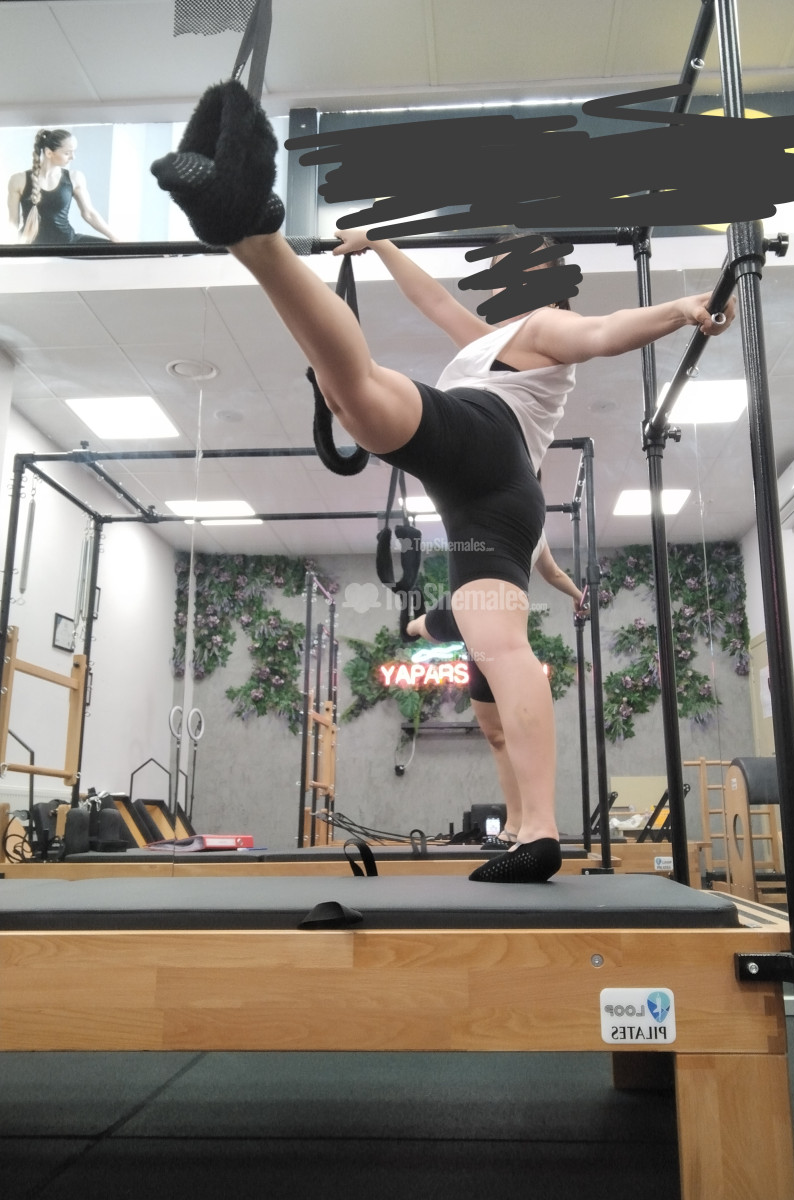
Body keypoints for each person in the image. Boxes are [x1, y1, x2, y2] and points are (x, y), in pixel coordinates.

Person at [151, 80, 736, 882]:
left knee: (361, 398)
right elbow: (431, 300)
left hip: (486, 451)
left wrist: (679, 307)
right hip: (489, 502)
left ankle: (256, 238)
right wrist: (378, 245)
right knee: (359, 409)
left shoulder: (547, 324)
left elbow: (604, 331)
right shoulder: (491, 340)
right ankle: (528, 828)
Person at [406, 532, 589, 850]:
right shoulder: (486, 517)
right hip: (464, 608)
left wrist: (578, 595)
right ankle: (409, 625)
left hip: (497, 634)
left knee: (497, 736)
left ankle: (516, 826)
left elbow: (554, 573)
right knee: (425, 628)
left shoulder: (534, 531)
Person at [7, 128, 120, 245]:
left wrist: (116, 239)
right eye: (67, 153)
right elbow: (13, 222)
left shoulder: (75, 177)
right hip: (32, 247)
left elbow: (89, 214)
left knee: (112, 248)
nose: (73, 157)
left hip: (67, 244)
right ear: (49, 153)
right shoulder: (18, 180)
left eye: (73, 152)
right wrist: (11, 251)